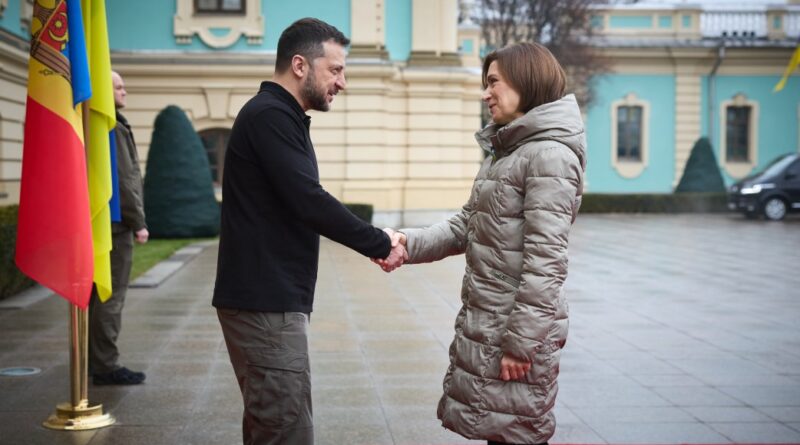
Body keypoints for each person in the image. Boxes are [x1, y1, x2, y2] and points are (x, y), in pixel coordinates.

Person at [377, 42, 586, 445]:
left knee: (518, 433)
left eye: (494, 83)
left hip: (514, 331)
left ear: (526, 82)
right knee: (501, 430)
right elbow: (466, 224)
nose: (485, 93)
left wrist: (522, 344)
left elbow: (547, 263)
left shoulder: (549, 156)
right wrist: (406, 242)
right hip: (492, 324)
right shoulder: (508, 151)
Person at [212, 18, 405, 445]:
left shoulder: (279, 116)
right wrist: (379, 242)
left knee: (276, 425)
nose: (343, 82)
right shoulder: (270, 116)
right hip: (265, 305)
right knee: (286, 432)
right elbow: (308, 199)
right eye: (335, 70)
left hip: (268, 301)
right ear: (300, 65)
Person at [89, 71, 149, 385]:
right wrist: (138, 222)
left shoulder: (94, 121)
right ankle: (105, 365)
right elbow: (126, 180)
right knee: (110, 297)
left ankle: (95, 360)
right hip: (116, 226)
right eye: (118, 86)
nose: (124, 91)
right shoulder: (113, 126)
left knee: (96, 297)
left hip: (99, 223)